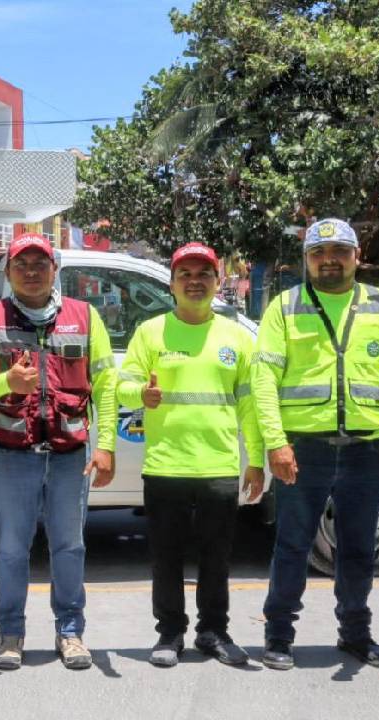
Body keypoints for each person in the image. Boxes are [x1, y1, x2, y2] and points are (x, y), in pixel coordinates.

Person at [251, 218, 379, 670]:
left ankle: (356, 634)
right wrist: (276, 443)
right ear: (307, 259)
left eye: (339, 251)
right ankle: (279, 636)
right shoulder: (285, 308)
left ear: (356, 256)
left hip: (367, 448)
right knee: (292, 545)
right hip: (304, 449)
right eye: (319, 253)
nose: (329, 260)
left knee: (361, 548)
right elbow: (263, 379)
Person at [0, 232, 118, 670]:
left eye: (40, 264)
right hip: (14, 456)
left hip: (70, 457)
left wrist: (105, 447)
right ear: (8, 272)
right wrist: (4, 383)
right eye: (21, 264)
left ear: (55, 270)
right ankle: (10, 633)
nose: (31, 272)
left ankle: (71, 632)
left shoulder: (85, 317)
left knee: (70, 547)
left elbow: (106, 385)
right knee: (12, 548)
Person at [116, 242, 265, 668]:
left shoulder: (236, 337)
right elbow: (123, 386)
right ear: (172, 284)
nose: (194, 282)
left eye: (204, 274)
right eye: (186, 274)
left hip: (218, 465)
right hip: (165, 465)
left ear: (218, 283)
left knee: (216, 559)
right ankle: (169, 634)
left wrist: (255, 459)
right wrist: (140, 394)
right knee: (166, 558)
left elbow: (249, 405)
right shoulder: (151, 332)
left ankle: (213, 632)